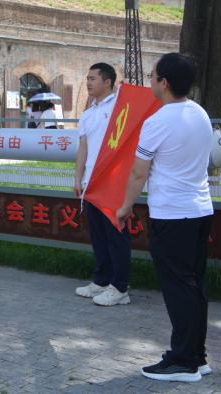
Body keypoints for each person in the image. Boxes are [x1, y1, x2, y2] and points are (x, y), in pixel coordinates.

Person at [116, 53, 214, 383]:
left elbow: (138, 173)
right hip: (200, 210)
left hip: (172, 214)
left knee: (179, 288)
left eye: (153, 76)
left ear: (165, 83)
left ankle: (183, 361)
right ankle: (197, 356)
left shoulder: (157, 122)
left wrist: (125, 207)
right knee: (195, 284)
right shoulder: (200, 113)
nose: (151, 81)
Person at [72, 63, 129, 307]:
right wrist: (78, 179)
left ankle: (120, 287)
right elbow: (83, 148)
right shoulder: (87, 113)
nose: (88, 82)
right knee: (98, 236)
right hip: (92, 183)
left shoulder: (120, 108)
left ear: (107, 82)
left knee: (115, 235)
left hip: (113, 183)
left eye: (93, 78)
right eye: (87, 78)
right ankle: (102, 280)